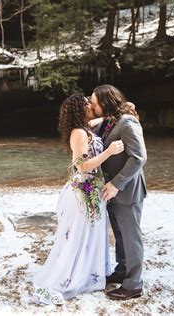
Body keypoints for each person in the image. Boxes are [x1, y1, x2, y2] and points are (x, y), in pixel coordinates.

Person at [31, 93, 125, 305]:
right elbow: (82, 166)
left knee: (91, 235)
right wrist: (109, 151)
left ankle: (89, 274)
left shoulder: (85, 127)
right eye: (86, 103)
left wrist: (121, 110)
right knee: (77, 236)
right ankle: (70, 278)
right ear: (79, 110)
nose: (90, 105)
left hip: (94, 189)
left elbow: (100, 119)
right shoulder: (78, 134)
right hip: (83, 192)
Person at [89, 84, 147, 301]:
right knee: (120, 235)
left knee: (131, 237)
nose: (93, 106)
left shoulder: (127, 123)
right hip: (111, 191)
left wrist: (116, 184)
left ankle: (134, 285)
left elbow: (139, 158)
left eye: (95, 103)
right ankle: (122, 271)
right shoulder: (109, 120)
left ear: (105, 102)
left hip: (126, 190)